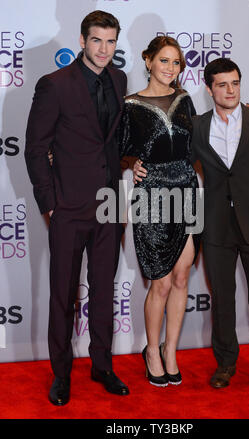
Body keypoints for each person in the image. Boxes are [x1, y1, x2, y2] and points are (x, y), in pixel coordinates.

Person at [135, 57, 249, 395]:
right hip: (215, 225)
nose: (230, 90)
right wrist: (138, 164)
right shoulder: (197, 126)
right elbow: (171, 158)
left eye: (235, 83)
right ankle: (226, 364)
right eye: (222, 84)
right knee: (222, 299)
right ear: (209, 88)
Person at [25, 10, 129, 406]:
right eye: (98, 40)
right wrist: (50, 203)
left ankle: (102, 365)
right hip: (68, 206)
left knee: (104, 291)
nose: (105, 49)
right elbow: (36, 149)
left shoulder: (119, 80)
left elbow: (112, 143)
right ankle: (62, 373)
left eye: (111, 41)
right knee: (62, 293)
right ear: (83, 40)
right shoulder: (54, 85)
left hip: (108, 204)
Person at [119, 36, 201, 387]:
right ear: (148, 60)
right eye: (164, 61)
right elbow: (116, 146)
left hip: (186, 191)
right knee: (162, 282)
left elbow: (202, 142)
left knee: (182, 277)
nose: (170, 68)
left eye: (176, 63)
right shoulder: (130, 104)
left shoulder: (185, 100)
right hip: (151, 196)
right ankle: (151, 350)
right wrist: (133, 163)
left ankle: (171, 351)